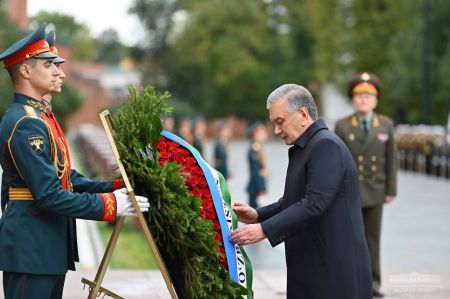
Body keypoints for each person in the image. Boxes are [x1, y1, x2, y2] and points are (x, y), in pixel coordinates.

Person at [0, 24, 149, 299]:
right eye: (49, 65)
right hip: (31, 248)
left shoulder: (41, 117)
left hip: (45, 246)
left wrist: (115, 187)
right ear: (25, 70)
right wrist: (110, 206)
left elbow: (67, 177)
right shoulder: (25, 123)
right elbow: (48, 195)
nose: (61, 72)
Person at [230, 84, 372, 299]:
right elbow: (293, 200)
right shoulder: (309, 145)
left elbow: (314, 203)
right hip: (317, 263)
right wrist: (258, 215)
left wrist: (264, 230)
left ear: (303, 114)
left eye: (280, 122)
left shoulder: (325, 146)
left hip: (333, 268)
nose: (276, 130)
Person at [335, 72, 397, 297]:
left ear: (375, 100)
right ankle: (351, 281)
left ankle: (373, 282)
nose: (363, 100)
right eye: (359, 96)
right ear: (353, 99)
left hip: (376, 190)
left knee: (372, 238)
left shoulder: (386, 125)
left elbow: (391, 160)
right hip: (350, 192)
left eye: (368, 97)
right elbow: (336, 160)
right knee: (350, 238)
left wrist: (391, 189)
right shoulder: (343, 126)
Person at [246, 121, 268, 209]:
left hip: (258, 185)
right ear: (255, 134)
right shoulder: (254, 149)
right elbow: (256, 171)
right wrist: (261, 188)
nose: (264, 134)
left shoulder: (258, 147)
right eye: (262, 132)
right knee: (254, 213)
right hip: (256, 187)